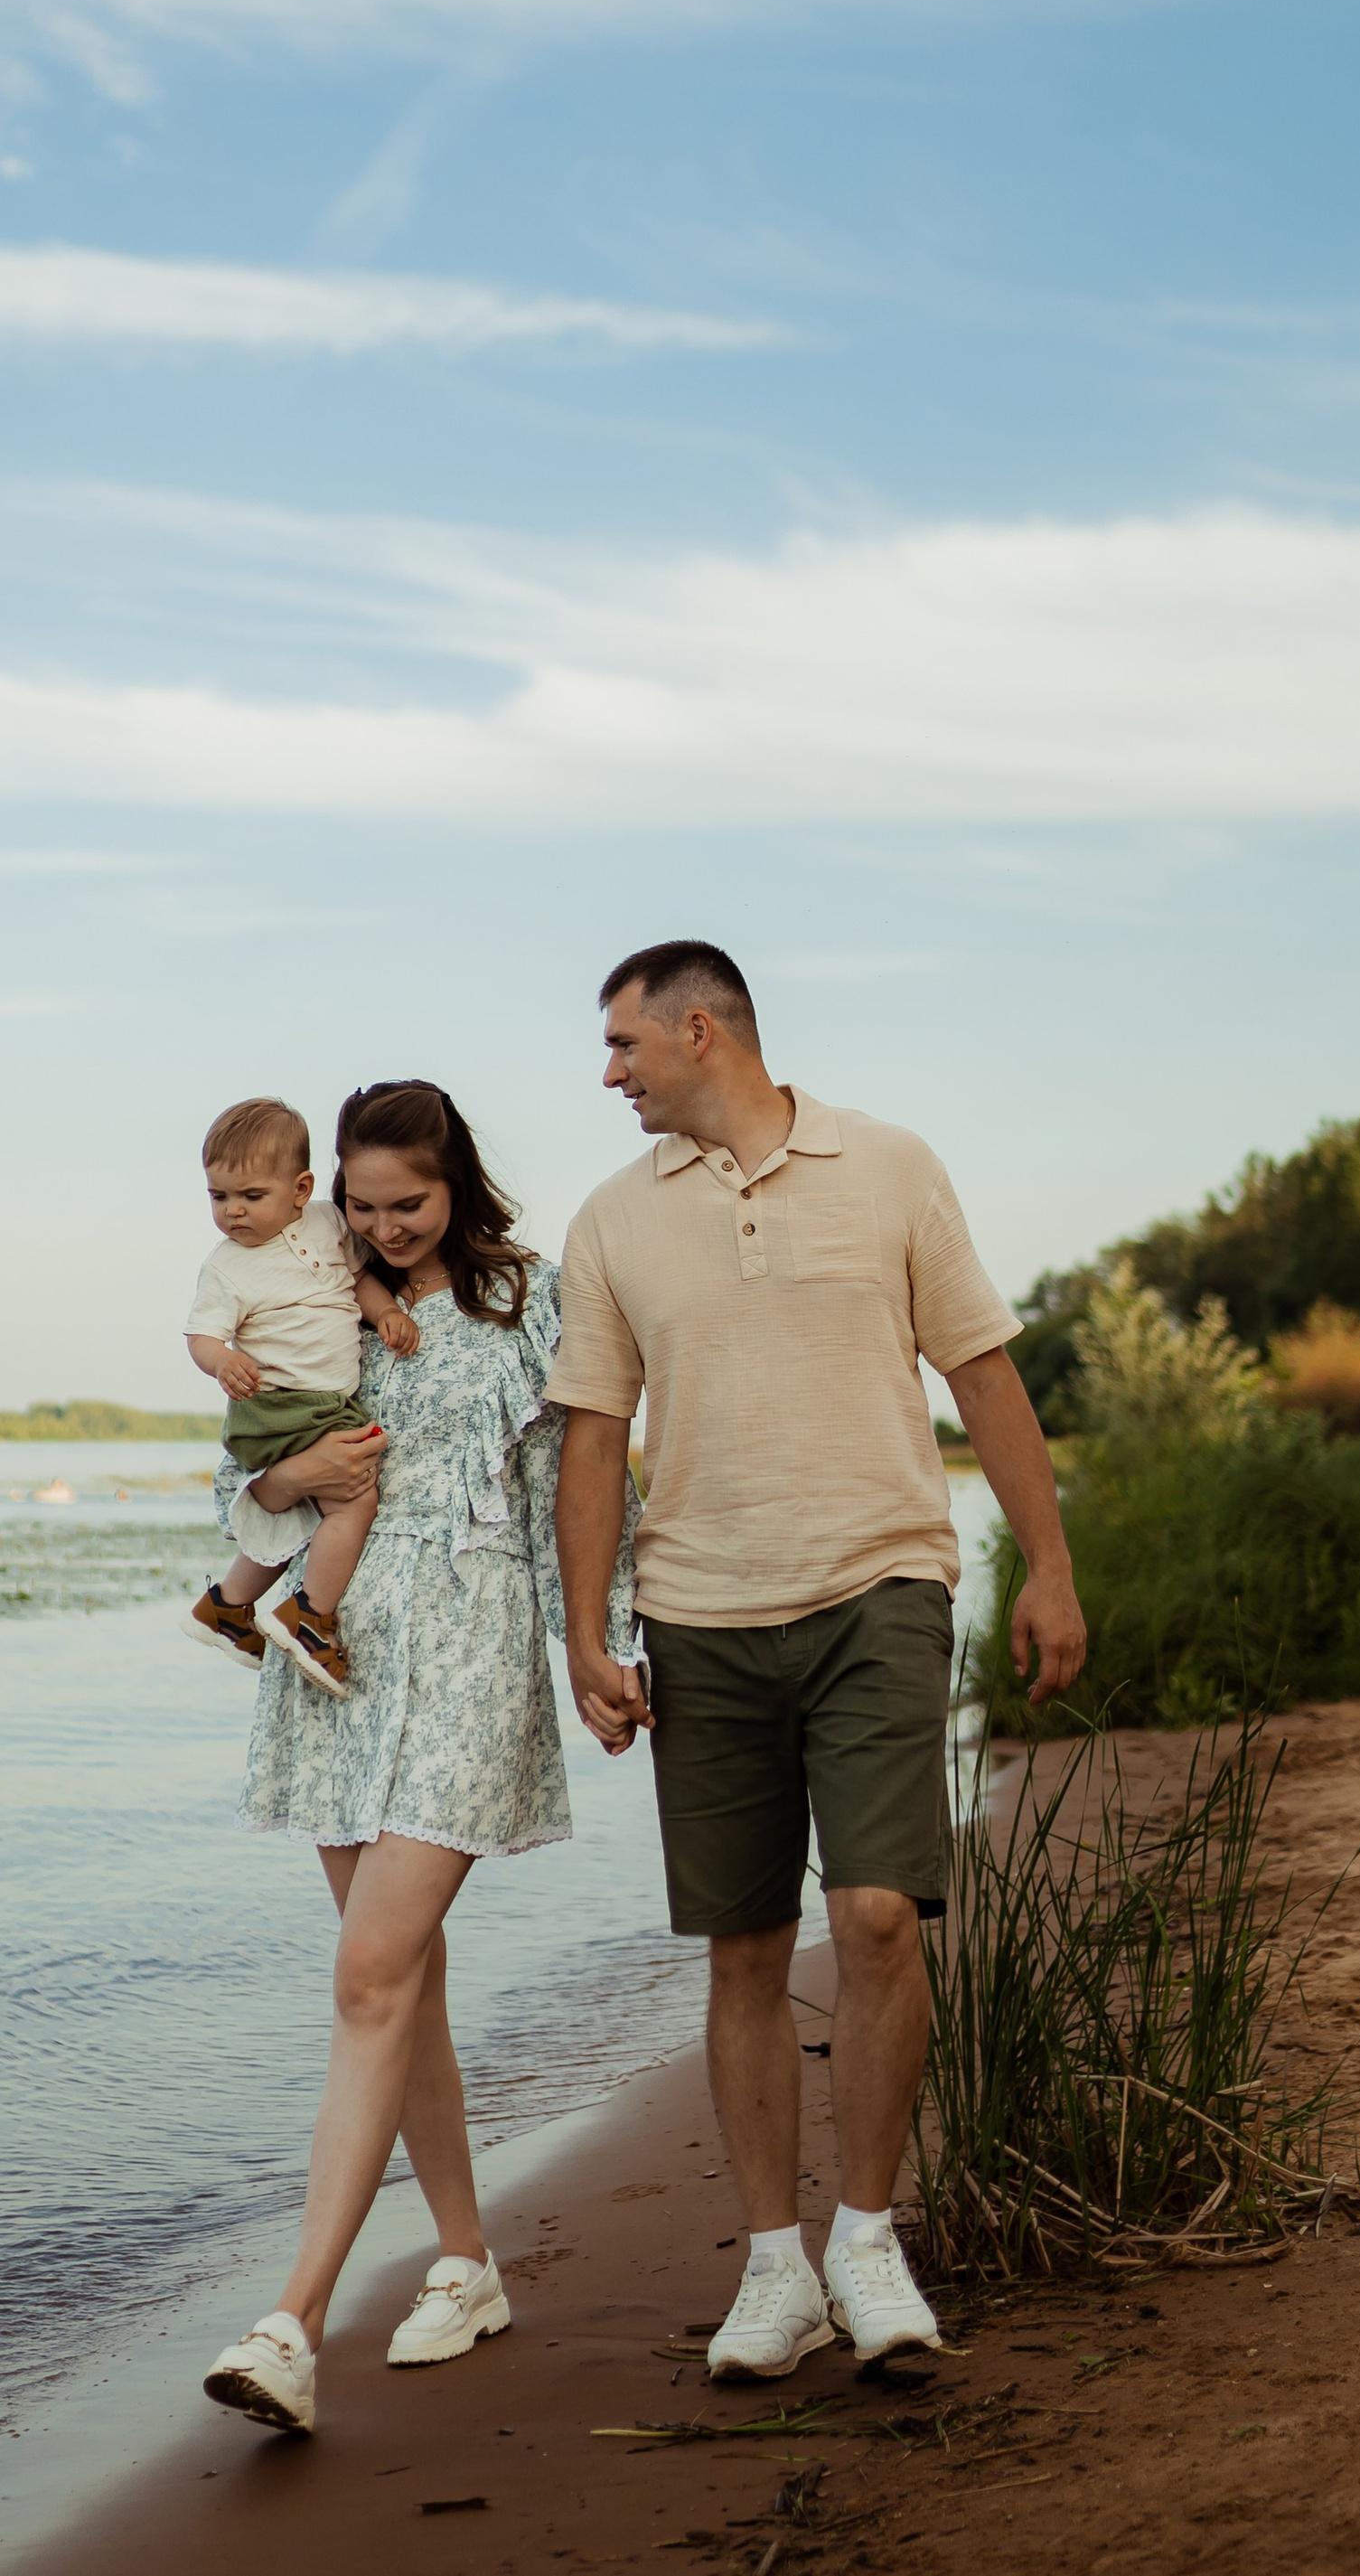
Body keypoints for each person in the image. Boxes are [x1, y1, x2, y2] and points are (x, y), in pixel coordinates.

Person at [550, 940, 1087, 2384]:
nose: (608, 1073)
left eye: (622, 1044)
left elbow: (982, 1370)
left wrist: (1049, 1565)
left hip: (878, 1586)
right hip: (700, 1612)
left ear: (700, 1030)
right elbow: (594, 1435)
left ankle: (865, 2238)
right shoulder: (610, 1220)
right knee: (742, 1944)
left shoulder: (892, 1167)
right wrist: (587, 1633)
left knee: (876, 1915)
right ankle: (775, 2269)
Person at [201, 1079, 640, 2439]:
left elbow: (581, 1483)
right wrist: (292, 1480)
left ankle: (293, 2320)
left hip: (470, 1646)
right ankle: (465, 2259)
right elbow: (240, 1482)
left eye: (411, 1204)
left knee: (369, 1970)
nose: (386, 1229)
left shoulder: (529, 1303)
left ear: (458, 1186)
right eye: (364, 1204)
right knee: (401, 1980)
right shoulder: (308, 1293)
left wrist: (598, 1644)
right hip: (334, 1654)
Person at [182, 1095, 418, 1693]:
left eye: (250, 1195)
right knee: (354, 1500)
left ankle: (228, 1606)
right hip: (281, 1403)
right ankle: (310, 1614)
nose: (233, 1211)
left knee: (303, 1511)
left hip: (320, 1404)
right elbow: (201, 1336)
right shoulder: (227, 1267)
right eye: (218, 1196)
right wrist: (223, 1361)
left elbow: (358, 1279)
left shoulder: (328, 1224)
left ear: (301, 1189)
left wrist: (386, 1313)